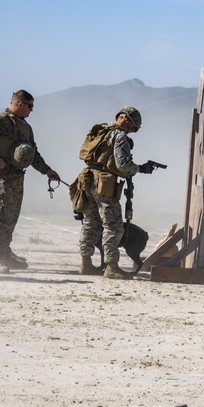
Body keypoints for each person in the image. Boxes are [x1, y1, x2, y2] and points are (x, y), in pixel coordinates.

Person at [0, 90, 61, 274]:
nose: (31, 110)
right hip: (1, 177)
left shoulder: (25, 127)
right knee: (0, 217)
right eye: (30, 106)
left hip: (17, 177)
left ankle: (5, 254)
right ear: (19, 104)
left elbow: (33, 153)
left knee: (11, 218)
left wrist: (47, 170)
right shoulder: (0, 120)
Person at [75, 107, 158, 279]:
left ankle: (86, 264)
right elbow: (123, 166)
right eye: (133, 128)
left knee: (90, 222)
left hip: (87, 180)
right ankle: (111, 267)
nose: (131, 132)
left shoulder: (102, 130)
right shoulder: (119, 136)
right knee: (112, 225)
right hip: (104, 185)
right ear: (128, 121)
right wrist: (141, 168)